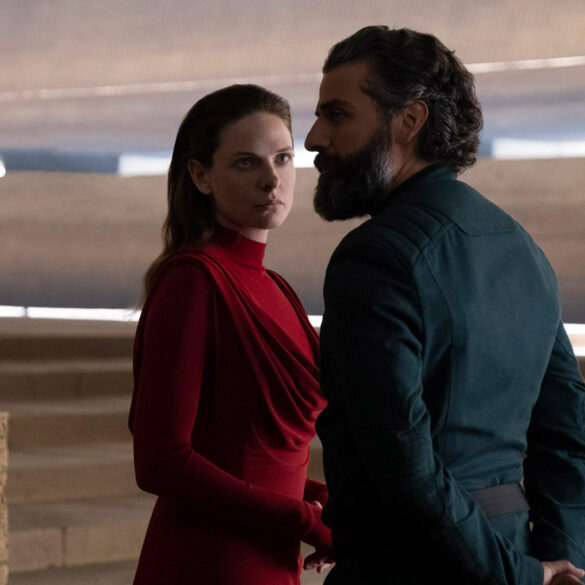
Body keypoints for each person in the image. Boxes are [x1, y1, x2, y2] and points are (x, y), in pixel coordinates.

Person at [303, 25, 585, 585]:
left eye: (336, 115)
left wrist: (521, 577)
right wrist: (557, 565)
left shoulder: (373, 257)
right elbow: (568, 434)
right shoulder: (520, 248)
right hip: (512, 552)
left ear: (409, 120)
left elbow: (403, 460)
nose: (313, 138)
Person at [128, 84, 333, 585]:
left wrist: (317, 497)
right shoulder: (194, 281)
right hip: (206, 560)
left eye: (283, 158)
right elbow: (161, 462)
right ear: (201, 176)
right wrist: (304, 519)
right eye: (246, 163)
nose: (272, 179)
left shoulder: (278, 288)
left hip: (270, 552)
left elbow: (255, 454)